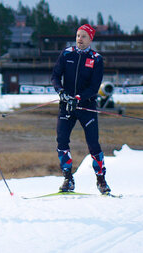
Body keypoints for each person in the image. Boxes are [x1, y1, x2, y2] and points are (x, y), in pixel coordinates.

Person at [51, 24, 111, 195]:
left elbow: (94, 87)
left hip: (86, 106)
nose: (80, 39)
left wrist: (79, 98)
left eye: (84, 36)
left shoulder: (96, 58)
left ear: (90, 39)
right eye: (78, 35)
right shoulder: (67, 53)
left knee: (93, 144)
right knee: (62, 141)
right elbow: (55, 76)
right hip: (66, 105)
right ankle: (68, 178)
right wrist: (61, 92)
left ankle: (101, 180)